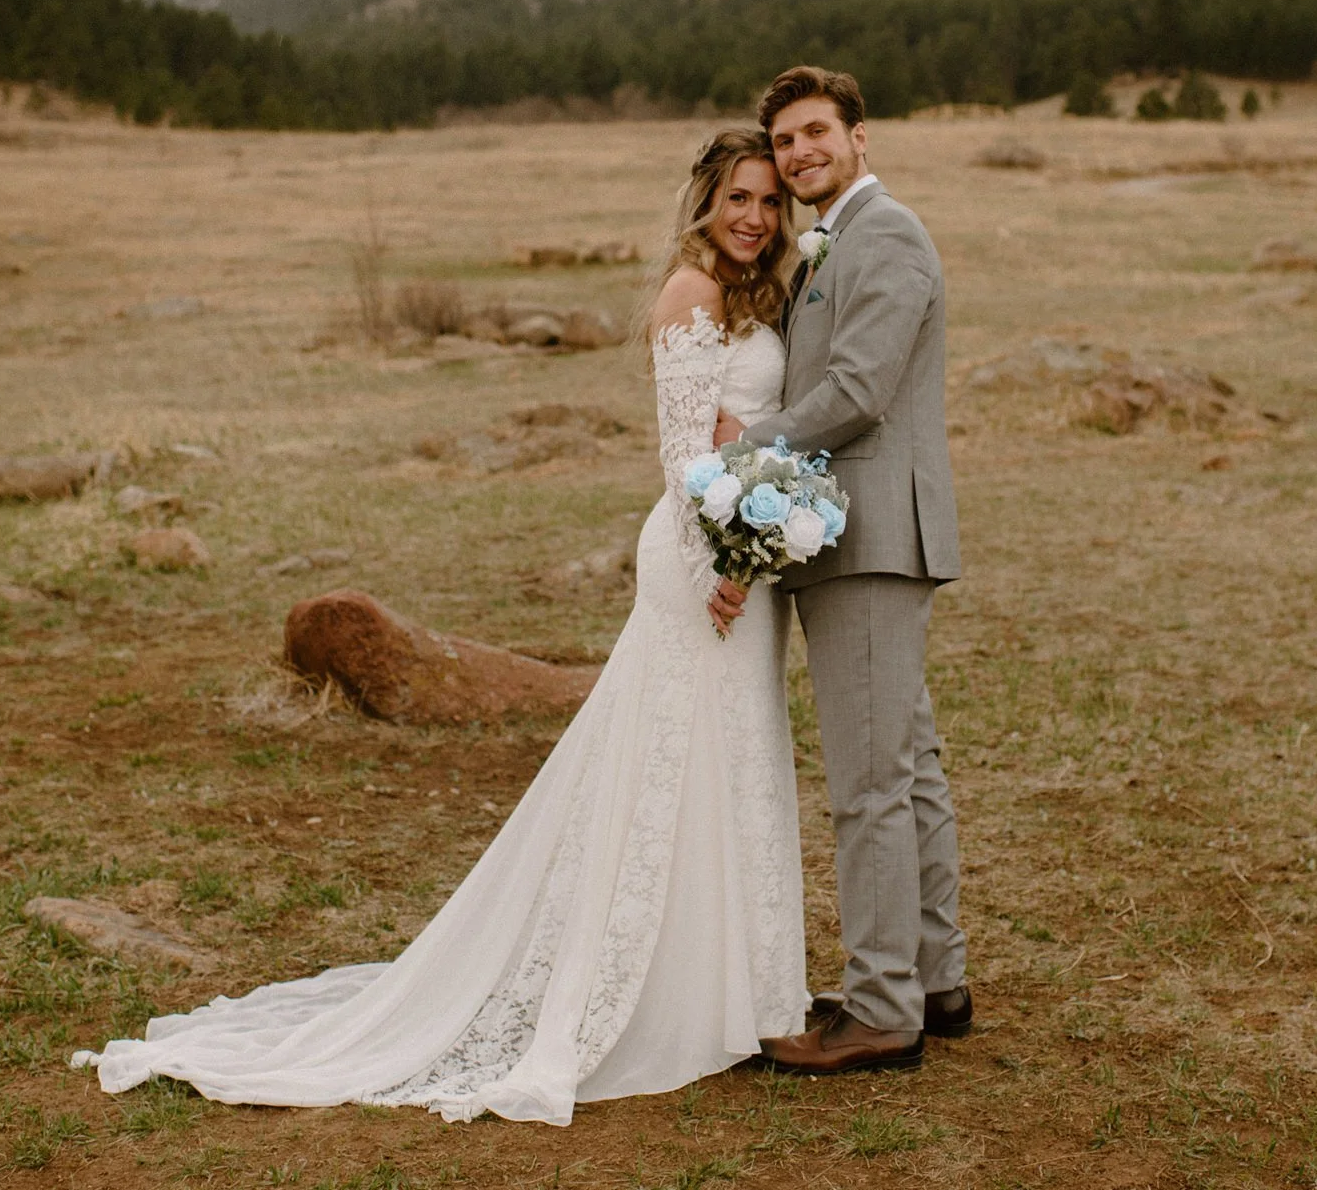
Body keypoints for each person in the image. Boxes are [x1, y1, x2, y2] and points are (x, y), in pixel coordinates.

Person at [70, 128, 807, 1124]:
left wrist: (763, 534)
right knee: (673, 762)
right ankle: (660, 988)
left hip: (745, 559)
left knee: (739, 755)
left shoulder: (763, 292)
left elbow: (756, 426)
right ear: (705, 203)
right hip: (698, 561)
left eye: (769, 200)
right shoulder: (688, 295)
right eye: (738, 199)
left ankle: (743, 990)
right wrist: (722, 561)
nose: (754, 217)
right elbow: (680, 460)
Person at [713, 65, 969, 1077]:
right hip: (853, 538)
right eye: (783, 142)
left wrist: (747, 441)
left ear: (860, 134)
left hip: (870, 541)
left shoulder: (888, 234)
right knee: (904, 768)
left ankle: (879, 1009)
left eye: (815, 131)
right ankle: (931, 979)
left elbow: (859, 387)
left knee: (868, 783)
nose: (798, 153)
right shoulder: (834, 241)